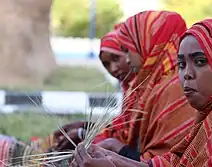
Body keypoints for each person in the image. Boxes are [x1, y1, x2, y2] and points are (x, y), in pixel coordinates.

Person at [72, 18, 212, 166]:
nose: (186, 74)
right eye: (181, 64)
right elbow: (175, 163)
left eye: (201, 61)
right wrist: (115, 158)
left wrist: (118, 156)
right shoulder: (211, 116)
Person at [72, 9, 196, 163]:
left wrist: (117, 150)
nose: (128, 60)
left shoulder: (174, 88)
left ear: (146, 43)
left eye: (127, 50)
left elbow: (169, 161)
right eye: (106, 64)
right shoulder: (152, 86)